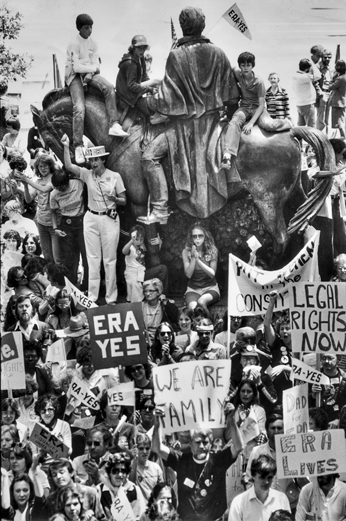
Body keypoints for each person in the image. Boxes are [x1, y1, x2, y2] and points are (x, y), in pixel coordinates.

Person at [137, 6, 240, 224]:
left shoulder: (176, 55)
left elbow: (166, 101)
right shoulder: (219, 53)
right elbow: (232, 97)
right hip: (214, 126)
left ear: (183, 28)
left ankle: (160, 209)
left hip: (183, 130)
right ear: (202, 25)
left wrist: (147, 100)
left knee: (148, 157)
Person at [61, 135, 126, 304]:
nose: (94, 163)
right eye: (91, 160)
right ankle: (92, 297)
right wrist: (66, 146)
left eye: (96, 159)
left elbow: (123, 199)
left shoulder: (115, 176)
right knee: (92, 259)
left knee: (110, 260)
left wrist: (115, 199)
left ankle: (111, 298)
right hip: (90, 218)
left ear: (103, 160)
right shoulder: (87, 174)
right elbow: (68, 166)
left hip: (109, 218)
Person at [152, 402, 243, 521]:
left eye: (205, 443)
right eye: (197, 442)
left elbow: (239, 447)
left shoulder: (218, 461)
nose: (201, 446)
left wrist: (231, 420)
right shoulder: (181, 460)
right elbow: (156, 448)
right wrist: (157, 423)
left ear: (211, 444)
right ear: (190, 443)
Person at [65, 13, 128, 164]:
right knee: (79, 108)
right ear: (79, 28)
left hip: (89, 73)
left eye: (91, 27)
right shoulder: (74, 43)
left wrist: (91, 72)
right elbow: (76, 66)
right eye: (86, 28)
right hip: (74, 76)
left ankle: (114, 124)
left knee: (109, 87)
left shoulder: (94, 43)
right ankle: (78, 146)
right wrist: (88, 70)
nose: (90, 30)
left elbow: (97, 63)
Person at [221, 52, 292, 169]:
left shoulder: (258, 81)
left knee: (269, 125)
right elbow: (229, 66)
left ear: (252, 66)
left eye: (248, 65)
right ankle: (227, 155)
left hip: (257, 108)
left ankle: (287, 122)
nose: (245, 68)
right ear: (240, 66)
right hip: (244, 107)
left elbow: (261, 104)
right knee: (234, 122)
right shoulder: (238, 73)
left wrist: (250, 123)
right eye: (243, 65)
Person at [15, 153, 61, 263]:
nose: (43, 168)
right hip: (41, 223)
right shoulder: (38, 181)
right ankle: (51, 280)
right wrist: (25, 185)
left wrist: (27, 180)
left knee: (57, 258)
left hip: (55, 223)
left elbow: (45, 189)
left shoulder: (55, 179)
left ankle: (61, 280)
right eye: (40, 166)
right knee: (47, 257)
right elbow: (29, 199)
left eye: (45, 166)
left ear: (50, 166)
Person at [50, 166, 88, 289]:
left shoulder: (78, 184)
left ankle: (86, 285)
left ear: (67, 181)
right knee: (69, 258)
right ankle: (70, 286)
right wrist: (56, 229)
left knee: (86, 255)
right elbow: (53, 212)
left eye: (63, 186)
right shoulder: (54, 194)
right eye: (57, 187)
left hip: (82, 222)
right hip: (66, 225)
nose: (60, 189)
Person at [229, 455, 290, 521]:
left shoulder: (281, 499)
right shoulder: (239, 502)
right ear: (253, 476)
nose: (266, 482)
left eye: (269, 478)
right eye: (262, 477)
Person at [116, 35, 160, 117]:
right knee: (155, 104)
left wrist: (152, 87)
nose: (142, 50)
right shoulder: (130, 63)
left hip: (133, 89)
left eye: (144, 48)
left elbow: (144, 76)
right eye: (139, 48)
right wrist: (149, 89)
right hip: (127, 95)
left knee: (158, 83)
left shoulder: (140, 57)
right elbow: (131, 85)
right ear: (133, 48)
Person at [122, 224, 168, 302]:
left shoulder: (142, 246)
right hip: (133, 274)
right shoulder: (131, 248)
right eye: (136, 239)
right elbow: (124, 251)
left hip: (142, 273)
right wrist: (131, 241)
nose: (139, 242)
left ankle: (160, 294)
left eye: (141, 239)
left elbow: (153, 254)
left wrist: (160, 243)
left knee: (163, 268)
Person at [182, 224, 220, 312]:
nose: (197, 238)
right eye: (194, 236)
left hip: (210, 288)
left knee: (201, 302)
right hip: (193, 289)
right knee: (193, 308)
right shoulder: (185, 251)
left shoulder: (213, 250)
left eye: (200, 236)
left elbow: (212, 274)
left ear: (205, 237)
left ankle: (209, 325)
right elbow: (188, 275)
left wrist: (198, 260)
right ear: (191, 238)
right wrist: (193, 258)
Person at [97, 452, 146, 519]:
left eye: (123, 471)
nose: (120, 475)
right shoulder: (99, 490)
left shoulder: (135, 490)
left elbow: (141, 515)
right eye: (115, 471)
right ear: (109, 473)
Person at [141, 278, 179, 346]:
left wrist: (166, 303)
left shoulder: (164, 305)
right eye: (145, 291)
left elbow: (175, 318)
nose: (147, 294)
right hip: (145, 341)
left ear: (158, 292)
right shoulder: (141, 306)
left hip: (162, 340)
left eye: (150, 291)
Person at [310, 353, 346, 423]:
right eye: (324, 358)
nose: (326, 361)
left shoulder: (344, 378)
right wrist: (313, 396)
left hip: (339, 423)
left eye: (330, 358)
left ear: (338, 358)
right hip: (319, 423)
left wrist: (339, 420)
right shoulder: (312, 378)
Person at [129, 433, 163, 503]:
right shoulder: (130, 467)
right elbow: (130, 485)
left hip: (152, 510)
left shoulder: (156, 468)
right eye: (141, 448)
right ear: (136, 449)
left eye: (147, 448)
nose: (145, 452)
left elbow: (161, 491)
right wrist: (134, 458)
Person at [292, 58, 322, 127]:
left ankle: (299, 137)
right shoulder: (304, 77)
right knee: (311, 127)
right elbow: (318, 76)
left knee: (301, 126)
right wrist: (313, 65)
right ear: (307, 69)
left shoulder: (295, 75)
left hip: (300, 104)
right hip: (307, 105)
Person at [327, 59, 346, 137]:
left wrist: (331, 79)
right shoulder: (344, 77)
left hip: (338, 103)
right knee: (341, 121)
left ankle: (343, 137)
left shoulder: (340, 78)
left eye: (337, 66)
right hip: (342, 102)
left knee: (339, 123)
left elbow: (331, 87)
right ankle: (343, 137)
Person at [316, 49, 333, 132]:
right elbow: (314, 82)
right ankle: (317, 136)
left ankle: (325, 136)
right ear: (321, 57)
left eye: (329, 57)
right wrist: (320, 93)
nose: (327, 59)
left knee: (327, 118)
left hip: (330, 94)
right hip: (322, 94)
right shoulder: (317, 67)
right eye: (325, 57)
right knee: (320, 118)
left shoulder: (331, 68)